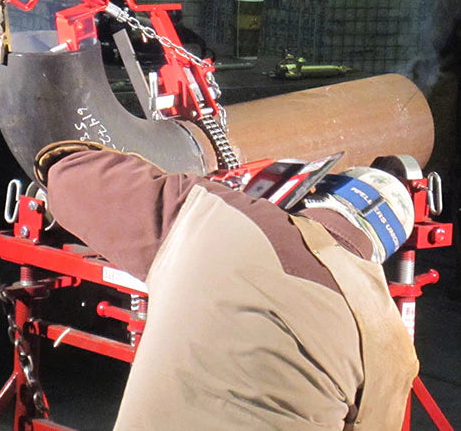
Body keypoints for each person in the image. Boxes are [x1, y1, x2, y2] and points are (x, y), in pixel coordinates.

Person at [34, 141, 419, 431]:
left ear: (314, 192)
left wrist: (201, 189)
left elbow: (70, 175)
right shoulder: (394, 349)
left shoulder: (214, 214)